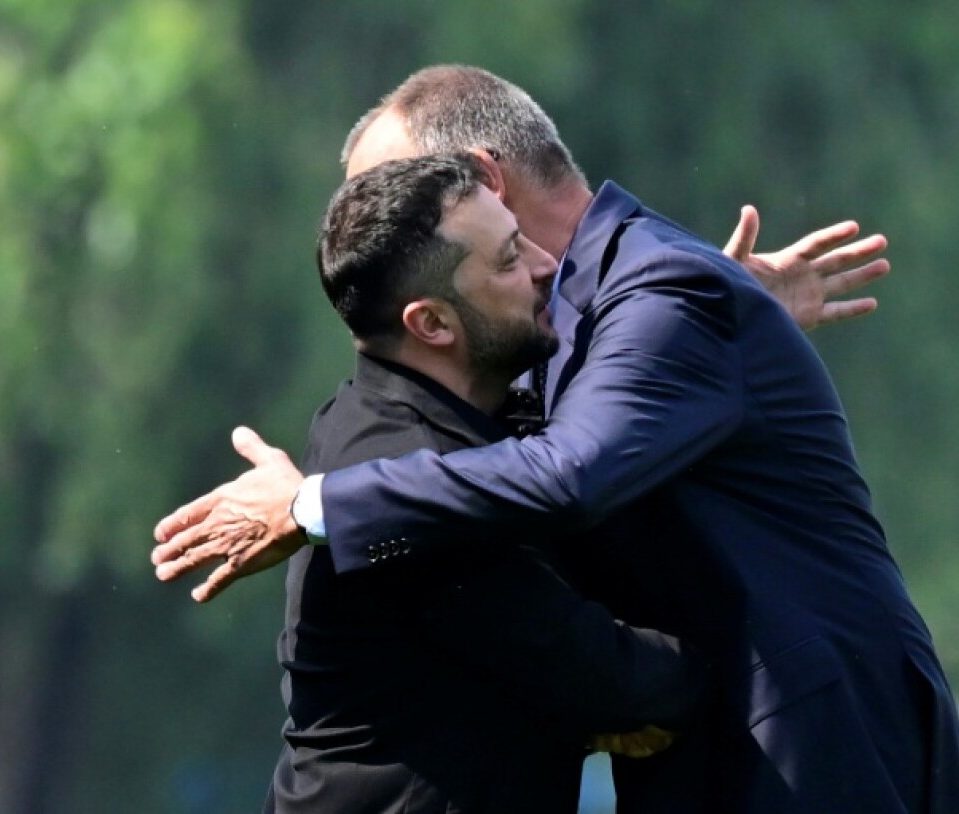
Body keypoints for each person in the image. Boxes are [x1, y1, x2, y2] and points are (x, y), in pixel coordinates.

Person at [153, 66, 959, 812]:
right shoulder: (620, 308)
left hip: (814, 740)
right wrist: (731, 314)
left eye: (402, 198)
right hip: (739, 745)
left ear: (482, 178)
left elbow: (568, 475)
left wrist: (309, 503)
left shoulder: (661, 297)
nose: (375, 234)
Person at [266, 154, 696, 814]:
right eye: (506, 261)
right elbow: (620, 683)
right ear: (431, 324)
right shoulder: (403, 476)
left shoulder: (412, 429)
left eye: (521, 239)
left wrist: (692, 330)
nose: (546, 266)